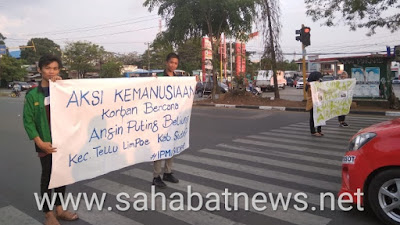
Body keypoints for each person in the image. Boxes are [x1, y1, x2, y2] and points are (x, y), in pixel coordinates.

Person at [23, 55, 79, 225]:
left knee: (62, 175)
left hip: (63, 141)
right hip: (46, 143)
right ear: (39, 70)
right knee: (47, 176)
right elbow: (28, 120)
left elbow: (75, 110)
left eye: (55, 68)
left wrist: (61, 87)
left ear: (59, 70)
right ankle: (48, 213)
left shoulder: (63, 90)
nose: (51, 71)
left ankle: (59, 209)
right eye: (47, 68)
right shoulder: (33, 94)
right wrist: (39, 142)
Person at [152, 52, 180, 188]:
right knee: (159, 147)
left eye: (175, 63)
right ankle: (156, 176)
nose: (173, 65)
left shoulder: (178, 79)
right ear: (166, 63)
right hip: (160, 118)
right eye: (171, 62)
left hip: (173, 118)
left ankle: (168, 172)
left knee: (171, 145)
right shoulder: (160, 77)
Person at [306, 71, 323, 137]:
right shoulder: (309, 85)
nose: (319, 79)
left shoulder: (317, 84)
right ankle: (313, 131)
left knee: (320, 116)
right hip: (312, 104)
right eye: (318, 78)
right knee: (313, 118)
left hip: (318, 103)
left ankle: (319, 130)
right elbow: (312, 92)